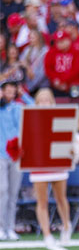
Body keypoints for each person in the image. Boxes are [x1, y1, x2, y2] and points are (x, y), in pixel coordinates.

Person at [29, 88, 79, 245]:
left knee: (61, 198)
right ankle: (47, 234)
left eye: (47, 100)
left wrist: (71, 149)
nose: (44, 104)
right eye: (40, 101)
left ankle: (66, 226)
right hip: (39, 165)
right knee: (42, 201)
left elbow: (70, 139)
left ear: (52, 101)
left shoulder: (61, 118)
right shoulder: (30, 119)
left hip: (57, 164)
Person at [0, 76, 33, 241]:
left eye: (13, 88)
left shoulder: (18, 107)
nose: (10, 91)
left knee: (13, 193)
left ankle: (10, 227)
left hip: (16, 154)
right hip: (1, 154)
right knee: (2, 190)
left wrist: (23, 94)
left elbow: (35, 109)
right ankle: (0, 226)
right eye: (7, 88)